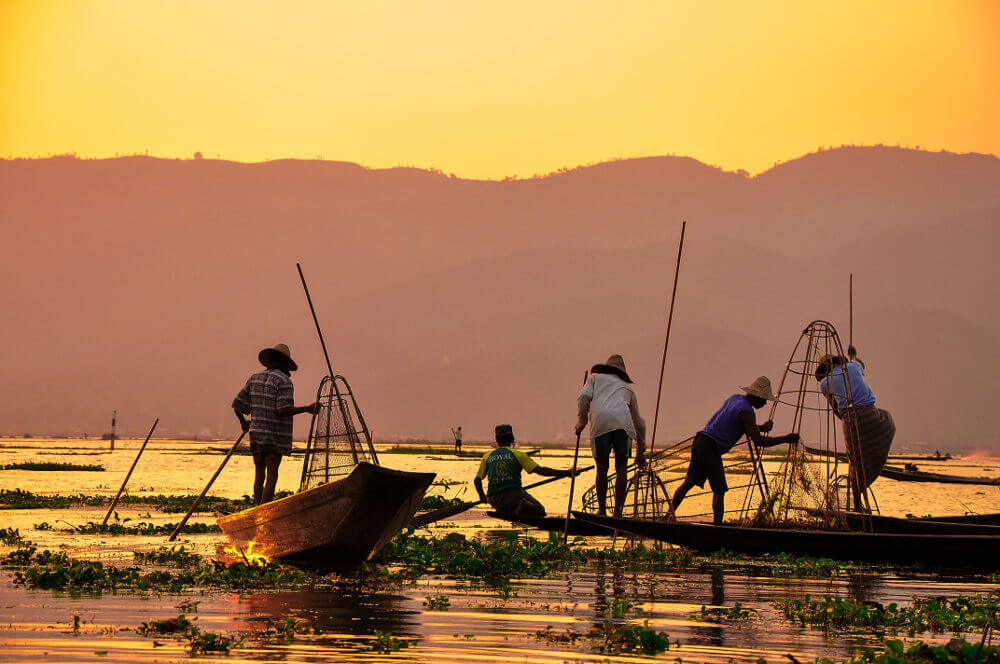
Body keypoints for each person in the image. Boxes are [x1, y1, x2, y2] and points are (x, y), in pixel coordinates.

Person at [670, 376, 799, 525]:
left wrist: (762, 428)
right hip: (710, 447)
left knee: (689, 482)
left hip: (700, 440)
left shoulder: (735, 399)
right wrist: (786, 438)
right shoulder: (747, 412)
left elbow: (741, 425)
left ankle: (668, 517)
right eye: (764, 399)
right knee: (720, 489)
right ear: (756, 396)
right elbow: (759, 441)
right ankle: (718, 529)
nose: (764, 403)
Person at [233, 343, 318, 505]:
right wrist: (307, 409)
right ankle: (263, 512)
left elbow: (237, 405)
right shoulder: (284, 381)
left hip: (256, 435)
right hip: (275, 437)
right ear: (285, 363)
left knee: (259, 475)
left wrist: (243, 422)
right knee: (271, 475)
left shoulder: (254, 378)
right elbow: (283, 409)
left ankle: (258, 511)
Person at [815, 345, 895, 510]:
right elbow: (859, 363)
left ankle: (857, 505)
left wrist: (846, 418)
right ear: (837, 363)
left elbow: (835, 407)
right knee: (888, 421)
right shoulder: (851, 366)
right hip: (870, 413)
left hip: (849, 419)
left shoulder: (824, 384)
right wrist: (853, 355)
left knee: (855, 460)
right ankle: (859, 503)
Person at [575, 354, 647, 517]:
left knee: (602, 469)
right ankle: (617, 513)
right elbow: (639, 422)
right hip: (624, 423)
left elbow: (584, 397)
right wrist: (641, 452)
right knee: (621, 469)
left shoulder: (595, 378)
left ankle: (601, 512)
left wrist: (582, 422)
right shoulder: (627, 389)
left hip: (600, 422)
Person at [474, 424, 576, 516]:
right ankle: (521, 506)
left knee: (508, 501)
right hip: (514, 496)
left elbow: (477, 480)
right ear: (512, 439)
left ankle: (508, 510)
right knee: (540, 510)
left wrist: (482, 496)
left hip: (494, 499)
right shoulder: (519, 454)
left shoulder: (487, 456)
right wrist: (567, 473)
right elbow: (541, 470)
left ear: (496, 440)